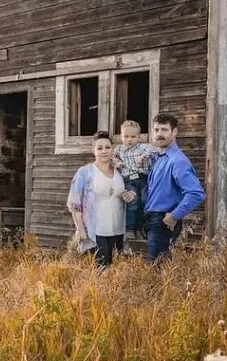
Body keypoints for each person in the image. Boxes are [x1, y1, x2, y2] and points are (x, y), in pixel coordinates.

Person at [67, 131, 137, 268]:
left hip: (118, 231)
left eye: (107, 147)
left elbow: (132, 189)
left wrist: (131, 194)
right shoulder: (85, 172)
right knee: (100, 271)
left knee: (115, 274)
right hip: (96, 232)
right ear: (94, 150)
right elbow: (74, 204)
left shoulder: (121, 172)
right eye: (99, 148)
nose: (104, 151)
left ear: (112, 149)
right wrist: (81, 229)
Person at [144, 113, 206, 263]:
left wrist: (175, 215)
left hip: (163, 221)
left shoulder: (178, 161)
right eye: (156, 130)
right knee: (157, 269)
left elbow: (196, 193)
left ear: (175, 132)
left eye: (164, 130)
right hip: (152, 220)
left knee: (156, 269)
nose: (159, 134)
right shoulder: (159, 159)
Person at [112, 120, 157, 253]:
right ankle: (130, 229)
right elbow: (111, 157)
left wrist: (143, 156)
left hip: (143, 179)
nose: (129, 139)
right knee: (133, 202)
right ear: (121, 137)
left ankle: (141, 228)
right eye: (126, 136)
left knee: (145, 201)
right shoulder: (119, 149)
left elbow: (154, 150)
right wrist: (117, 162)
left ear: (138, 137)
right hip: (129, 181)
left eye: (133, 137)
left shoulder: (143, 147)